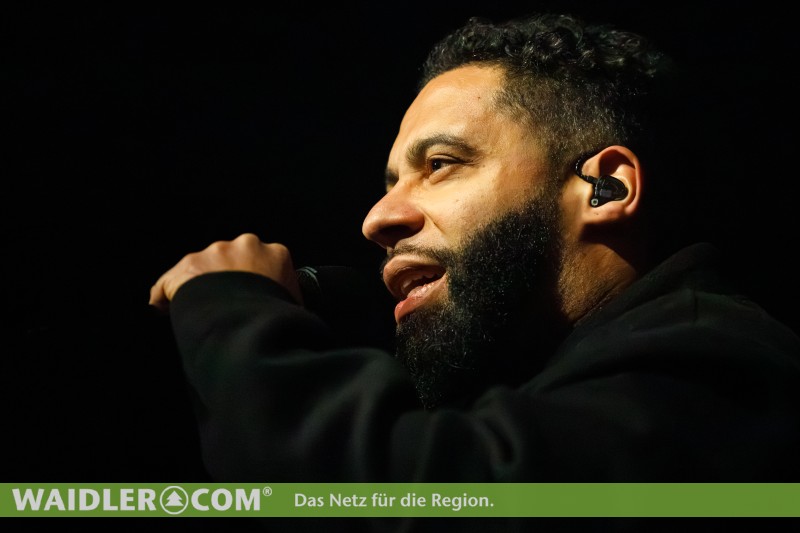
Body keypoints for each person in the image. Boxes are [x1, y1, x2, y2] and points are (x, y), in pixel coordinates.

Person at [149, 10, 800, 531]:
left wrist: (233, 311)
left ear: (604, 188)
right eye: (390, 183)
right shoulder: (559, 390)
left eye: (440, 165)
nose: (378, 218)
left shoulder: (722, 367)